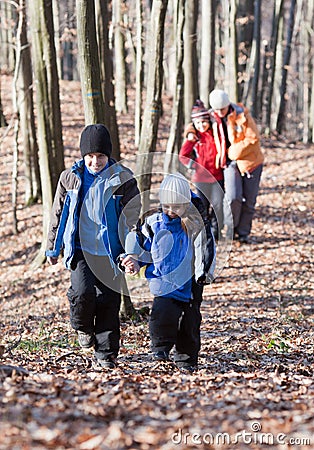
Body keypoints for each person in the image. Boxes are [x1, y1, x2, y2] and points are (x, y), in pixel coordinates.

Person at [46, 124, 141, 369]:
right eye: (90, 156)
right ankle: (82, 327)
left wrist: (132, 252)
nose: (95, 162)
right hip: (80, 249)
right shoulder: (70, 178)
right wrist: (53, 248)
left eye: (100, 156)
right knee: (82, 293)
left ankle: (106, 354)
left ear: (108, 155)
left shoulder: (124, 179)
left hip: (112, 252)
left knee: (110, 302)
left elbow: (132, 219)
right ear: (83, 156)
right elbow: (59, 214)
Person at [122, 173, 216, 372]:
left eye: (177, 207)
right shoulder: (154, 222)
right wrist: (134, 259)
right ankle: (160, 349)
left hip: (190, 282)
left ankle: (187, 360)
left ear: (187, 203)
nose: (171, 211)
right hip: (162, 280)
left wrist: (203, 273)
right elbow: (141, 243)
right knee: (161, 315)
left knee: (189, 322)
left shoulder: (196, 224)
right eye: (167, 206)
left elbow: (205, 248)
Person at [209, 89, 264, 243]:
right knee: (233, 198)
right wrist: (189, 133)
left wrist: (233, 152)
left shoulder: (241, 115)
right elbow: (195, 124)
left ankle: (244, 232)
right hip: (228, 164)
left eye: (223, 109)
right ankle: (231, 229)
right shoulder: (211, 117)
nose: (220, 112)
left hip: (250, 162)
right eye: (217, 109)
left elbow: (253, 138)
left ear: (228, 106)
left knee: (249, 200)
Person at [179, 99, 224, 240]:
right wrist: (194, 166)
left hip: (217, 176)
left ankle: (216, 230)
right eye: (197, 123)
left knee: (217, 204)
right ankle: (205, 230)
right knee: (203, 205)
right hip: (201, 178)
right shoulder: (194, 137)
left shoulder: (215, 133)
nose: (201, 125)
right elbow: (183, 156)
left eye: (203, 122)